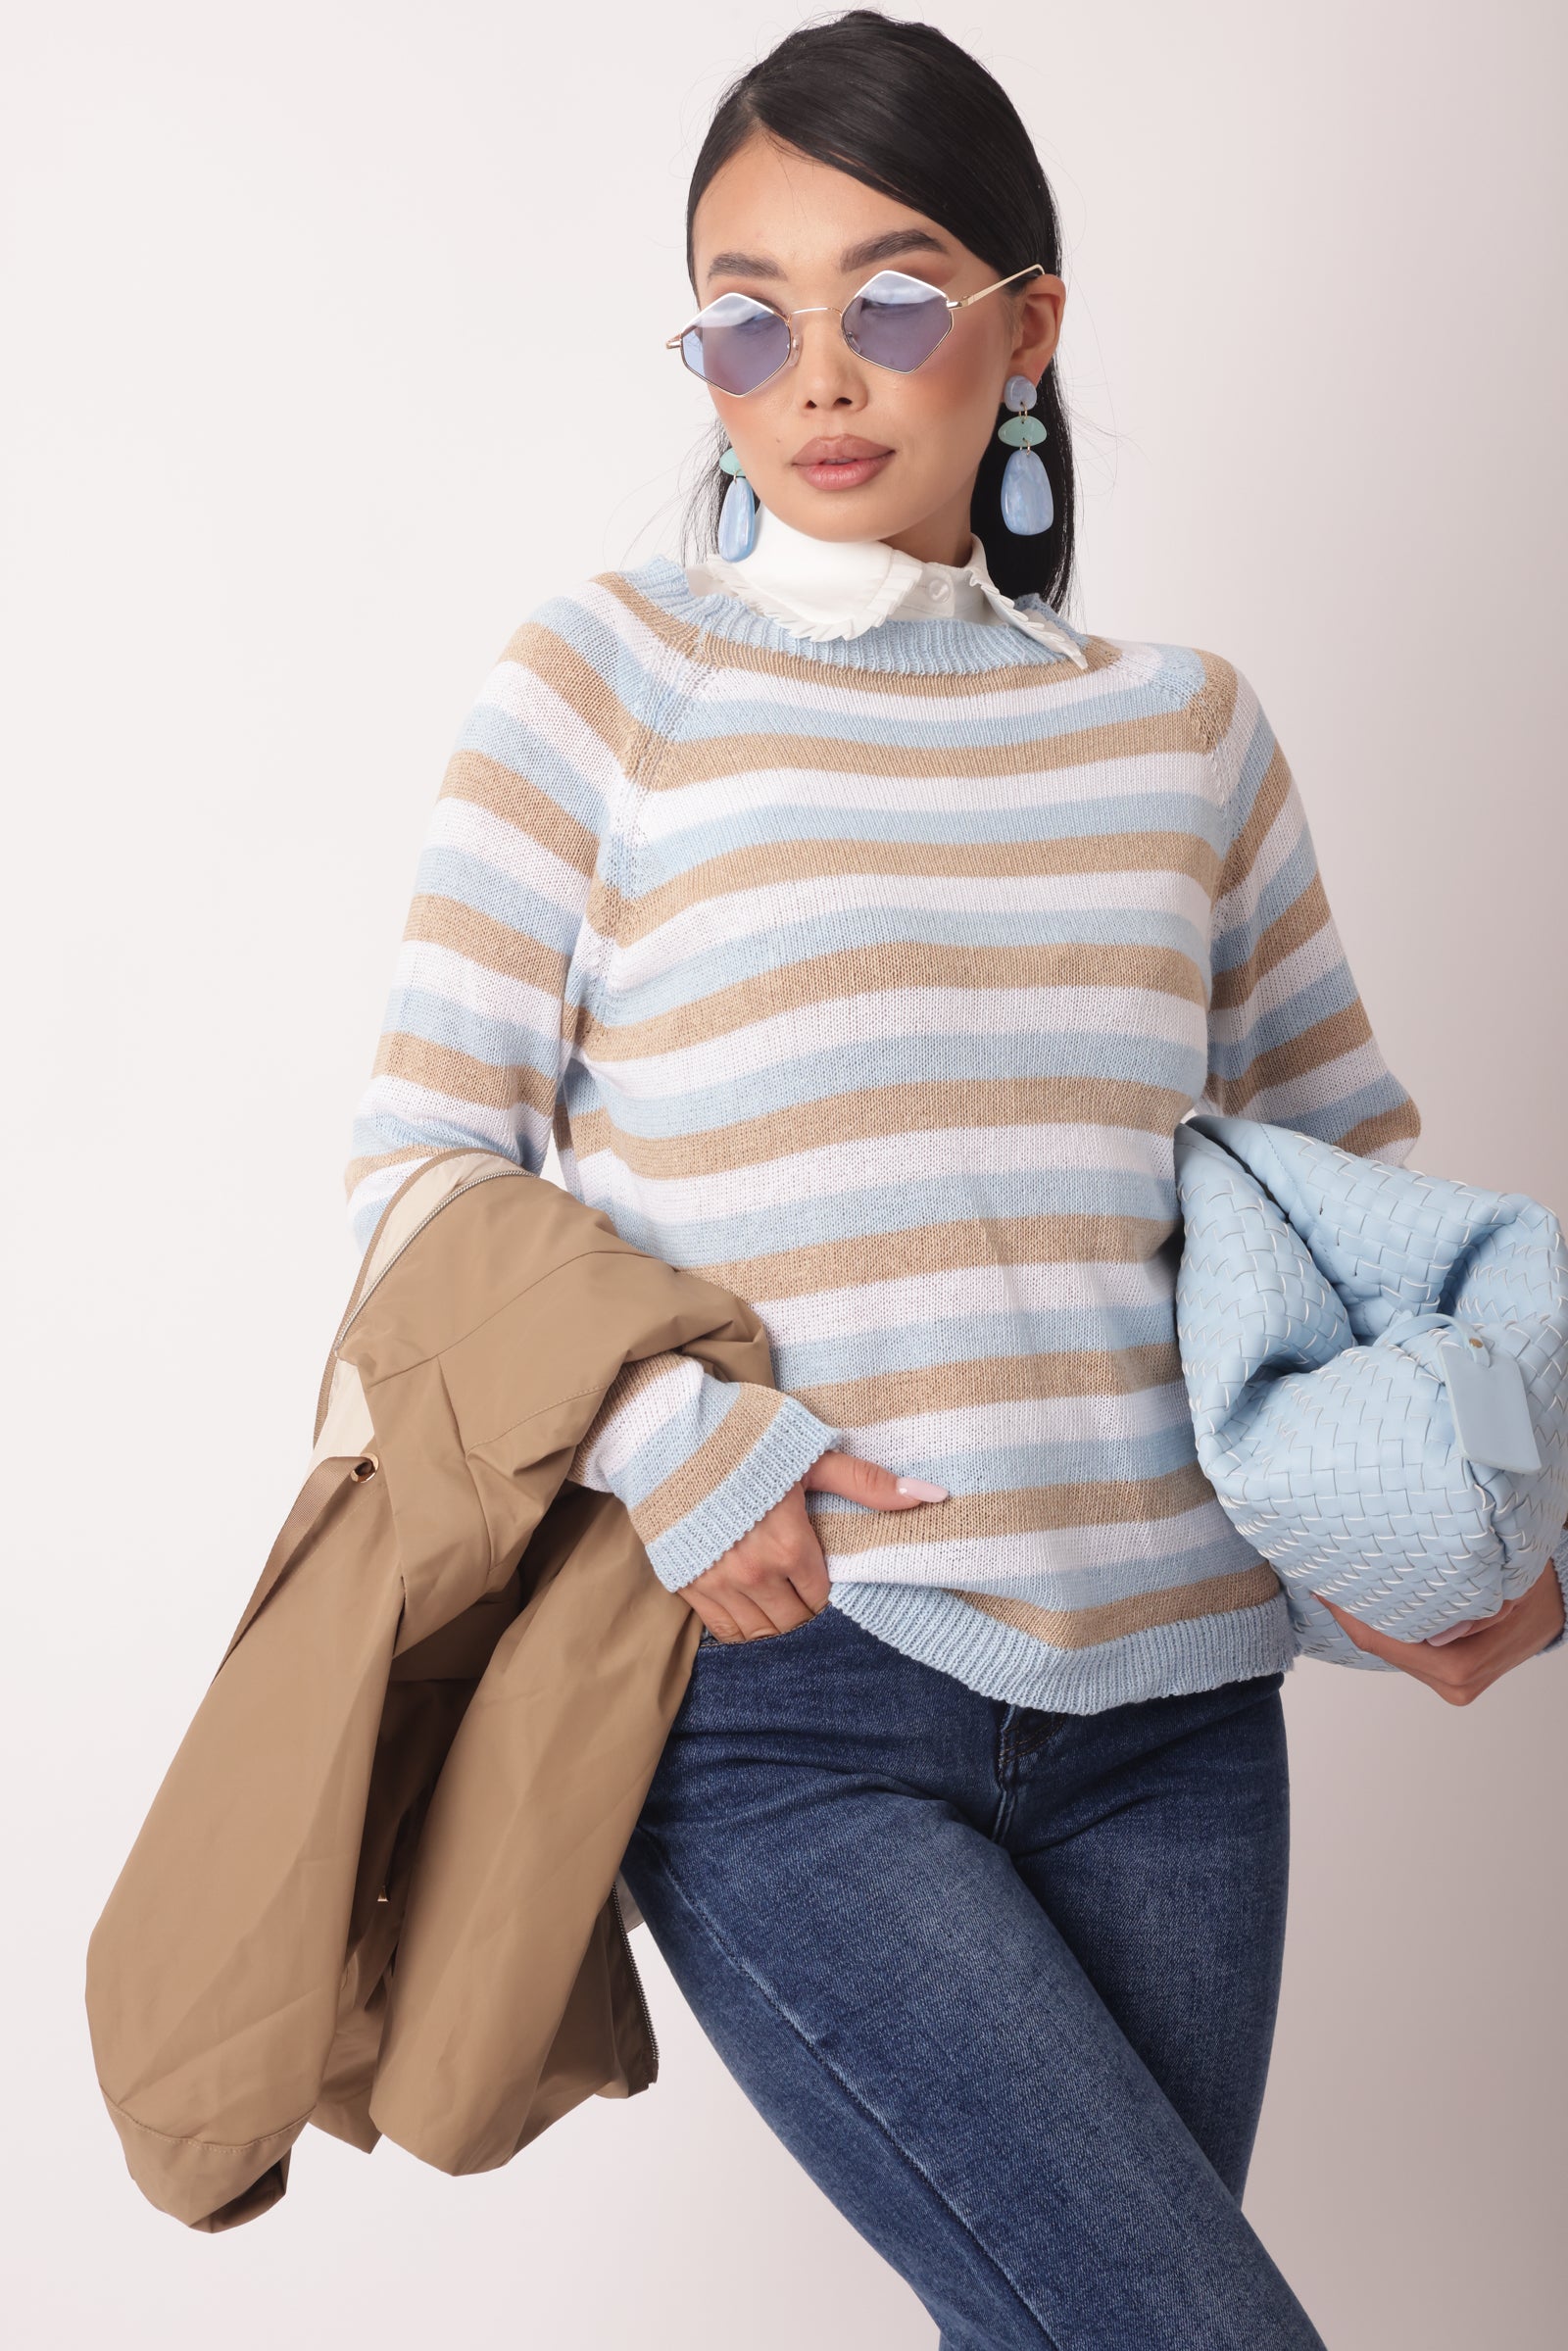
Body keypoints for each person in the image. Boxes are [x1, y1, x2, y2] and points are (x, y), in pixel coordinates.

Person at [345, 13, 1565, 2343]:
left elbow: (1357, 1208)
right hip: (791, 1702)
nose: (814, 372)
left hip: (1177, 1721)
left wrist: (1489, 1527)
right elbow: (417, 1175)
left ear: (1028, 328)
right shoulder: (602, 688)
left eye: (889, 298)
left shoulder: (1179, 732)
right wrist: (671, 1440)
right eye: (744, 318)